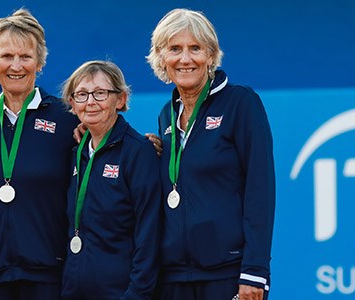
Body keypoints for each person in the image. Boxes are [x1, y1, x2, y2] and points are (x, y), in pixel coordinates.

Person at [146, 8, 276, 300]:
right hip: (174, 277)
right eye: (175, 49)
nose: (185, 58)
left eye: (195, 48)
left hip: (227, 273)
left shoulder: (241, 104)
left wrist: (254, 271)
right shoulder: (166, 116)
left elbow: (260, 190)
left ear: (211, 55)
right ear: (161, 57)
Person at [0, 8, 79, 299]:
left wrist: (148, 144)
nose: (16, 65)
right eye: (6, 56)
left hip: (48, 275)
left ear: (39, 62)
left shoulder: (66, 118)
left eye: (25, 56)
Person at [60, 61, 160, 299]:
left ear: (121, 99)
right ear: (72, 104)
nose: (91, 102)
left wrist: (137, 293)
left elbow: (149, 232)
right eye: (82, 95)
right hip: (74, 290)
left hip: (122, 292)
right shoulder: (76, 153)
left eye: (100, 93)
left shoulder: (138, 151)